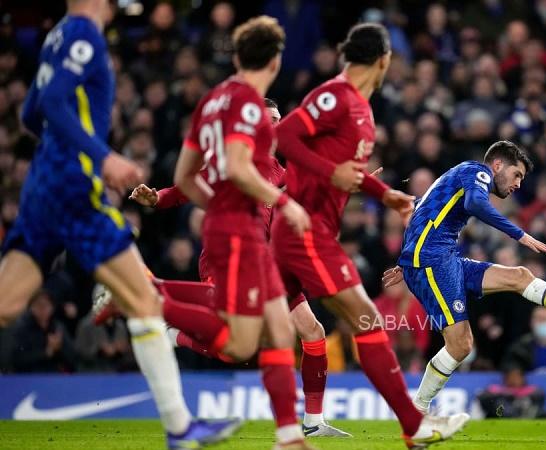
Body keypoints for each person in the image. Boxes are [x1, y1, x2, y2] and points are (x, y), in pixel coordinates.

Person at [0, 1, 240, 448]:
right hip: (74, 189)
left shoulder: (56, 36)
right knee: (145, 300)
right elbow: (50, 102)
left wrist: (62, 150)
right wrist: (101, 155)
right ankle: (180, 428)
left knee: (6, 302)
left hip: (42, 184)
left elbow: (31, 112)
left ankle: (180, 428)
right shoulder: (85, 34)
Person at [273, 23, 469, 448]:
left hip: (304, 230)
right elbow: (283, 135)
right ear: (384, 60)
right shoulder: (336, 95)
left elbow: (349, 174)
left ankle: (163, 307)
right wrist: (332, 172)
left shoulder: (362, 108)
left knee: (243, 330)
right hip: (305, 231)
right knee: (368, 320)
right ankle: (413, 425)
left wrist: (386, 195)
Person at [125, 98, 349, 437]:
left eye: (278, 119)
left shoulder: (280, 171)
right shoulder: (233, 161)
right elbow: (190, 186)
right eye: (268, 119)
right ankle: (165, 316)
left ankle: (313, 422)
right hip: (225, 258)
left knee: (312, 331)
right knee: (237, 348)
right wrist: (158, 198)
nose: (275, 125)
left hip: (268, 264)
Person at [383, 140, 546, 415]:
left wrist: (407, 260)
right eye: (516, 174)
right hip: (433, 261)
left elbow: (420, 211)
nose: (518, 184)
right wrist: (519, 234)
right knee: (461, 344)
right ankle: (417, 411)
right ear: (497, 165)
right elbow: (475, 203)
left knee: (519, 276)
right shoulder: (477, 172)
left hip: (441, 259)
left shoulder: (456, 177)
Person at [171, 16, 313, 449]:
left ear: (236, 57)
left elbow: (183, 177)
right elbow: (237, 167)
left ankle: (289, 436)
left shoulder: (211, 102)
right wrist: (283, 203)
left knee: (277, 332)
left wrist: (215, 206)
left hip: (231, 225)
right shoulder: (249, 105)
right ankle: (150, 295)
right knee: (239, 341)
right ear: (274, 62)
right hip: (238, 230)